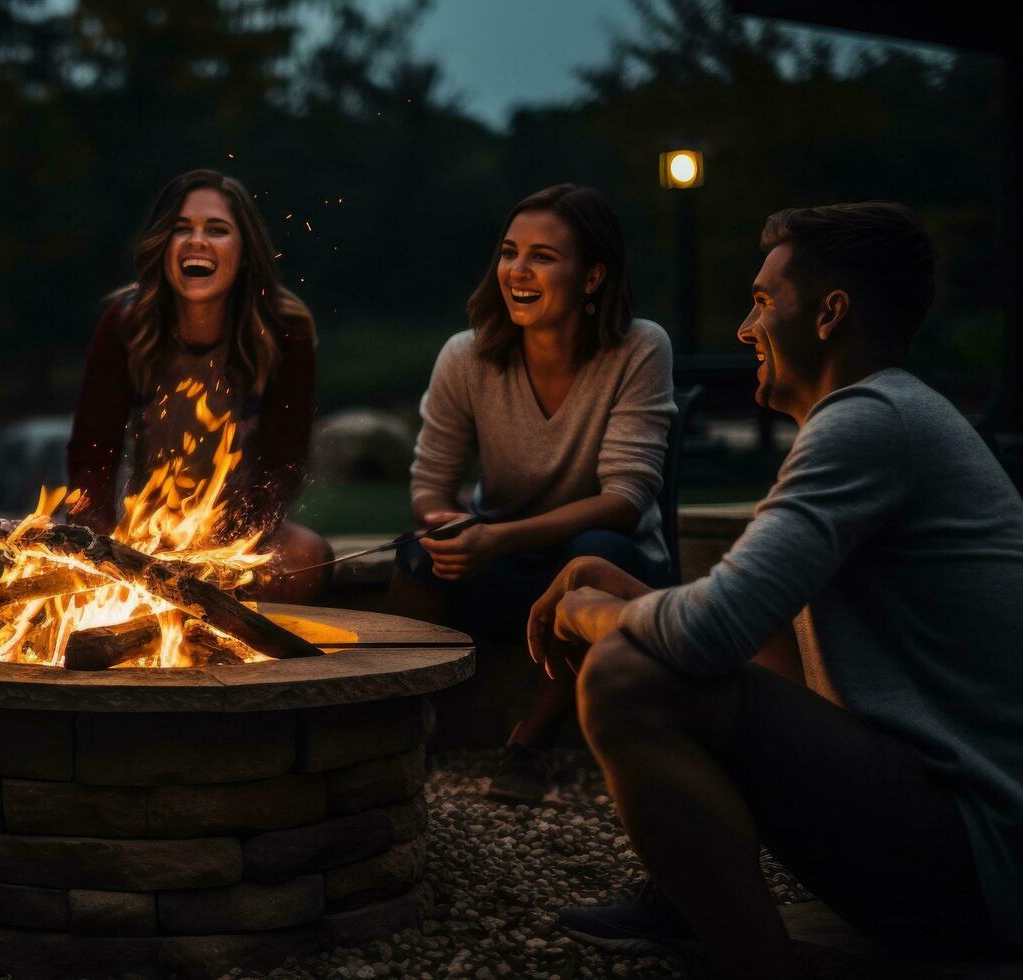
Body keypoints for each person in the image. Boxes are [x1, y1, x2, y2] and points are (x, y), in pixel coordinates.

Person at [532, 202, 1023, 977]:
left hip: (982, 859)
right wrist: (622, 589)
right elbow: (761, 641)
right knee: (680, 645)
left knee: (627, 675)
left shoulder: (870, 421)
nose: (742, 326)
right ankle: (687, 894)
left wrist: (593, 612)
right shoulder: (887, 416)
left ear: (829, 314)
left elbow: (706, 638)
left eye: (762, 300)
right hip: (955, 833)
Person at [389, 184, 675, 803]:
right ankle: (397, 732)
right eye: (510, 252)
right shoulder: (466, 357)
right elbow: (431, 485)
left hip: (611, 565)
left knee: (597, 552)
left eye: (543, 256)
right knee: (415, 554)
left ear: (593, 275)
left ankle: (529, 747)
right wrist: (447, 526)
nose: (517, 270)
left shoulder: (639, 349)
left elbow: (627, 498)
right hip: (506, 564)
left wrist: (500, 536)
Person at [67, 169, 332, 601]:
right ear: (162, 245)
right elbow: (92, 454)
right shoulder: (125, 324)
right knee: (53, 556)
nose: (197, 241)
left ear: (244, 250)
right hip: (141, 530)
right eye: (180, 229)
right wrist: (104, 541)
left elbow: (284, 464)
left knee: (307, 556)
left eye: (217, 229)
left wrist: (228, 547)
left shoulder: (284, 328)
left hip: (243, 532)